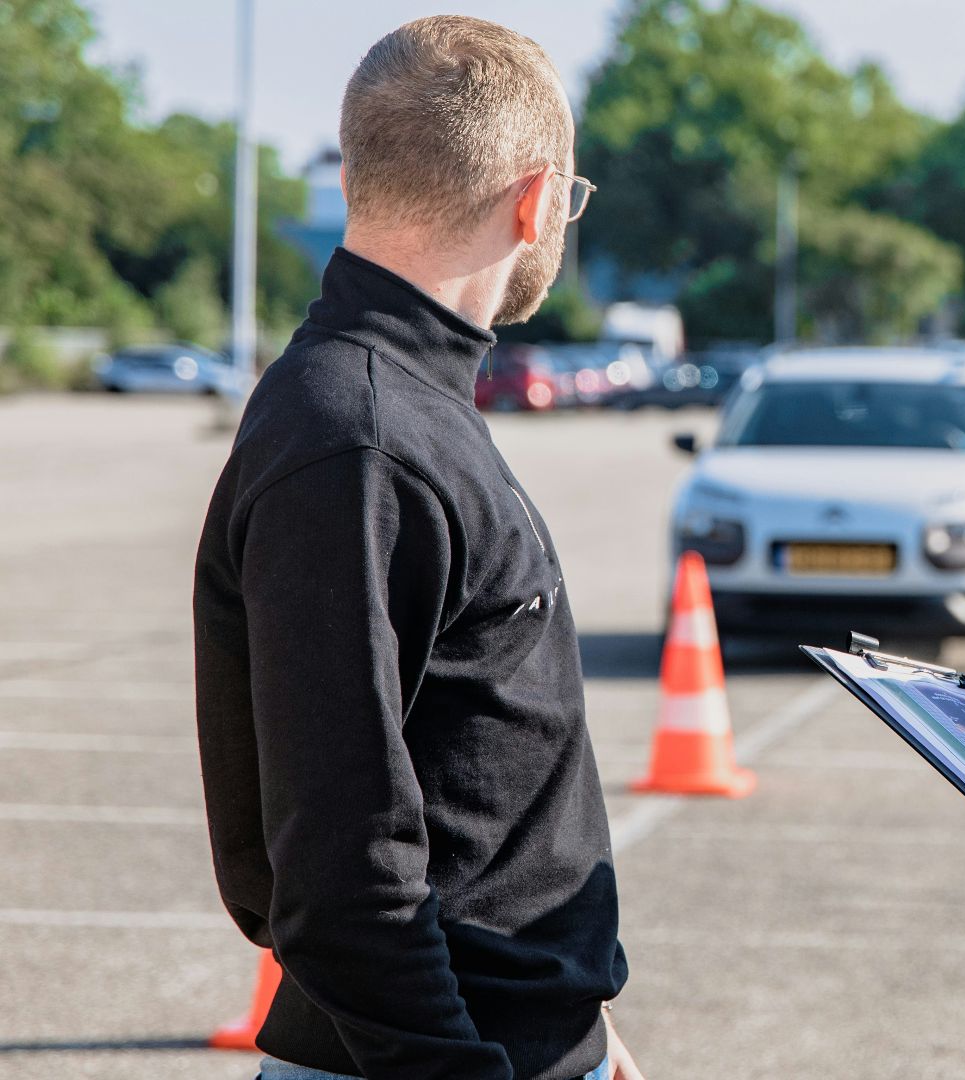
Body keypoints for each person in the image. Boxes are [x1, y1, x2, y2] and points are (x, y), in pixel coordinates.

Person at [192, 17, 640, 1080]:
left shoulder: (402, 406)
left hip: (516, 1042)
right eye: (569, 202)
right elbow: (343, 879)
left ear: (358, 175)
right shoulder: (357, 437)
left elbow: (470, 784)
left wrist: (586, 1029)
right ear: (534, 202)